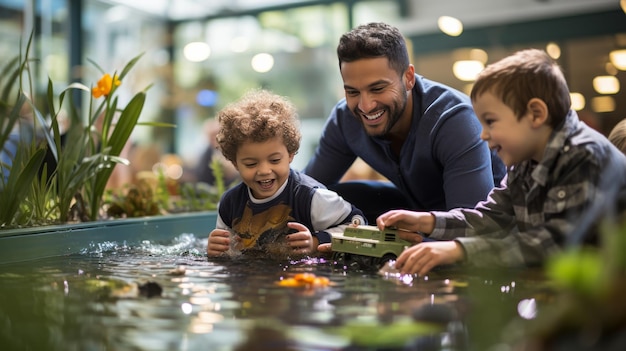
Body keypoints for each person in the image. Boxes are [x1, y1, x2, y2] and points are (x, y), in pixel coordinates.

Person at [374, 49, 626, 276]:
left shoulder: (584, 156)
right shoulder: (525, 163)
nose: (483, 135)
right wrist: (425, 221)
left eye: (491, 122)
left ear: (536, 114)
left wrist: (459, 251)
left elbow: (555, 245)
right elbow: (490, 218)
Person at [303, 22, 506, 223]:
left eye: (378, 89)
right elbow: (304, 189)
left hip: (484, 228)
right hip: (414, 214)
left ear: (409, 77)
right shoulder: (345, 119)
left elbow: (472, 226)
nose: (365, 106)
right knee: (324, 196)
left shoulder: (455, 120)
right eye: (353, 92)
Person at [207, 89, 365, 258]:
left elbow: (358, 225)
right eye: (251, 164)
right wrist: (217, 250)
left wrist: (316, 241)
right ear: (235, 163)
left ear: (290, 154)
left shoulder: (310, 197)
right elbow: (228, 253)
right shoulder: (230, 204)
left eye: (274, 160)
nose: (264, 171)